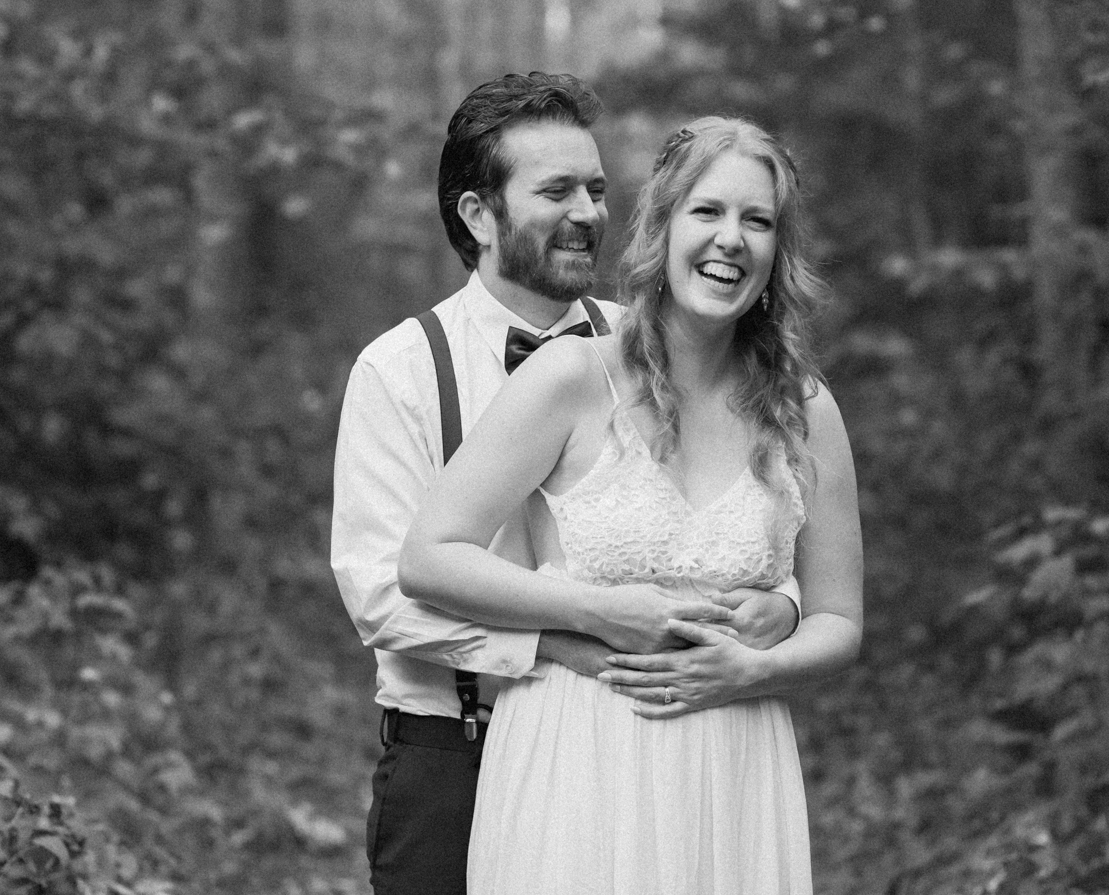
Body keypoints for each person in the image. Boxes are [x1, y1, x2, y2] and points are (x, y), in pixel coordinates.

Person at [331, 76, 804, 895]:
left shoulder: (658, 344)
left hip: (630, 759)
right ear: (479, 216)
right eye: (556, 191)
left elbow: (730, 526)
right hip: (451, 754)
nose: (587, 212)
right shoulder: (401, 371)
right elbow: (381, 592)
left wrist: (788, 604)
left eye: (595, 189)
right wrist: (570, 643)